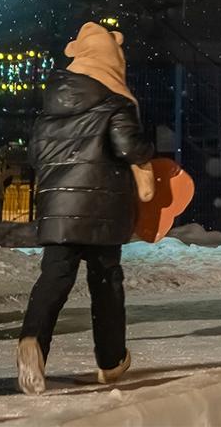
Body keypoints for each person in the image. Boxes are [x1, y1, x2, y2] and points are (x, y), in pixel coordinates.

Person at [17, 22, 153, 396]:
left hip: (58, 205)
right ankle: (110, 361)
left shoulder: (51, 104)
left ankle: (32, 339)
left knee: (55, 277)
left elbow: (34, 154)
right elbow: (127, 146)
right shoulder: (115, 100)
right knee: (106, 280)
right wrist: (148, 149)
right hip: (101, 206)